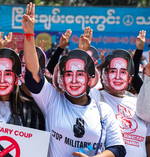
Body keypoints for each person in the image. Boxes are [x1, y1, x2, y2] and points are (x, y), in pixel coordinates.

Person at [22, 2, 125, 157]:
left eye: (80, 75)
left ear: (90, 80)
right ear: (62, 79)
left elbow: (118, 148)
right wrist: (29, 35)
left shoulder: (103, 110)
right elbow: (33, 74)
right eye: (69, 74)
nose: (74, 80)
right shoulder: (51, 100)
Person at [90, 49, 150, 157]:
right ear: (103, 74)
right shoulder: (94, 97)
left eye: (123, 72)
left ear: (129, 78)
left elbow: (149, 141)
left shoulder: (138, 103)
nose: (118, 76)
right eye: (113, 71)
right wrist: (82, 52)